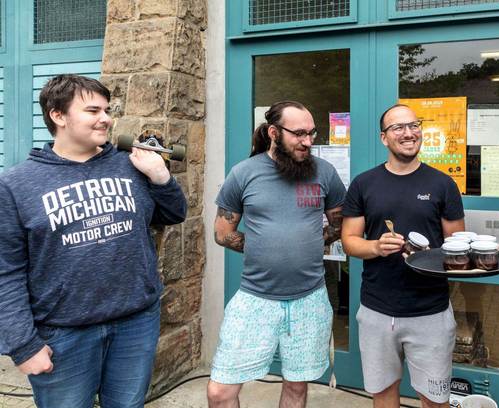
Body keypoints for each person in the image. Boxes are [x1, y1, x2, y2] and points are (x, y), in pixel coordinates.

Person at [0, 74, 187, 407]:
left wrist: (161, 178)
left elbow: (173, 215)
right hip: (63, 334)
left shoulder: (131, 164)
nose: (106, 118)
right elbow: (6, 272)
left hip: (136, 323)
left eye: (107, 109)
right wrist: (22, 344)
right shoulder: (15, 185)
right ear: (58, 115)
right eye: (92, 110)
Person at [206, 101, 346, 408]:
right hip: (255, 299)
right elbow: (223, 233)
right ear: (273, 132)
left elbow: (339, 225)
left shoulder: (325, 172)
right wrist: (261, 245)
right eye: (298, 134)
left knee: (296, 388)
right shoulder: (244, 173)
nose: (308, 141)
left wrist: (308, 241)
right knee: (220, 392)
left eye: (311, 133)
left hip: (309, 299)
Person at [341, 104, 465, 408]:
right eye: (398, 128)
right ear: (384, 138)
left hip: (430, 312)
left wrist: (433, 257)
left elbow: (457, 245)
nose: (409, 133)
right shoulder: (363, 184)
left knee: (435, 399)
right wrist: (375, 247)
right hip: (377, 311)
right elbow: (349, 241)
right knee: (383, 394)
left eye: (414, 125)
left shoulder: (443, 184)